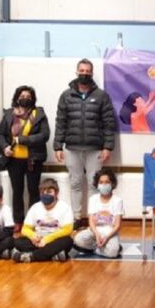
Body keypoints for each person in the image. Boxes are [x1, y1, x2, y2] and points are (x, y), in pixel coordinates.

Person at [54, 59, 116, 225]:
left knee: (94, 184)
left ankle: (93, 218)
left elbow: (109, 123)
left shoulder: (101, 96)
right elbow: (61, 122)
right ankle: (76, 217)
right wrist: (58, 146)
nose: (84, 74)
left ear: (92, 73)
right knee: (75, 183)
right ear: (77, 72)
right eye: (82, 71)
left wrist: (108, 147)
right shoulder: (66, 95)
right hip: (72, 148)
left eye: (88, 71)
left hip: (95, 148)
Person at [0, 85, 49, 227]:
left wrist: (23, 140)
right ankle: (18, 222)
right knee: (17, 191)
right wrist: (4, 147)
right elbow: (0, 134)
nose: (25, 99)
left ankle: (32, 222)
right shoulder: (9, 114)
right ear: (17, 98)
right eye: (22, 96)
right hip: (13, 160)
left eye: (28, 97)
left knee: (33, 191)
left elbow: (45, 135)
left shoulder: (39, 114)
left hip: (33, 159)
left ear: (33, 99)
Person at [13, 179, 74, 263]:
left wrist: (47, 239)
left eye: (49, 192)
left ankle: (31, 256)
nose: (45, 194)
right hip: (38, 239)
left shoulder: (65, 207)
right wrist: (33, 236)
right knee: (18, 242)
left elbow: (68, 230)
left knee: (68, 241)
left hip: (54, 239)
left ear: (56, 193)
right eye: (42, 192)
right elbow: (25, 229)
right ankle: (52, 255)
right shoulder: (35, 207)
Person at [73, 168, 124, 258]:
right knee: (77, 239)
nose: (104, 185)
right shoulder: (93, 199)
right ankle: (102, 248)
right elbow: (91, 222)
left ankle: (97, 249)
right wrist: (96, 234)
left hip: (110, 233)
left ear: (112, 184)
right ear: (97, 184)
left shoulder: (117, 201)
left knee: (112, 253)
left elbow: (117, 225)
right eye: (101, 182)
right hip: (94, 231)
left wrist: (107, 237)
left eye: (107, 182)